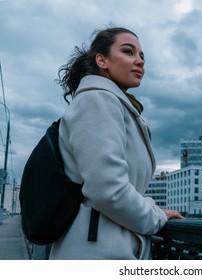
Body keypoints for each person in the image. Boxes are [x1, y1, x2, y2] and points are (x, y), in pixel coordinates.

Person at [49, 27, 183, 260]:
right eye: (129, 51)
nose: (139, 61)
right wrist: (156, 215)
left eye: (142, 56)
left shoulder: (119, 107)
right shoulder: (97, 100)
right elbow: (107, 190)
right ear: (102, 59)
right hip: (95, 253)